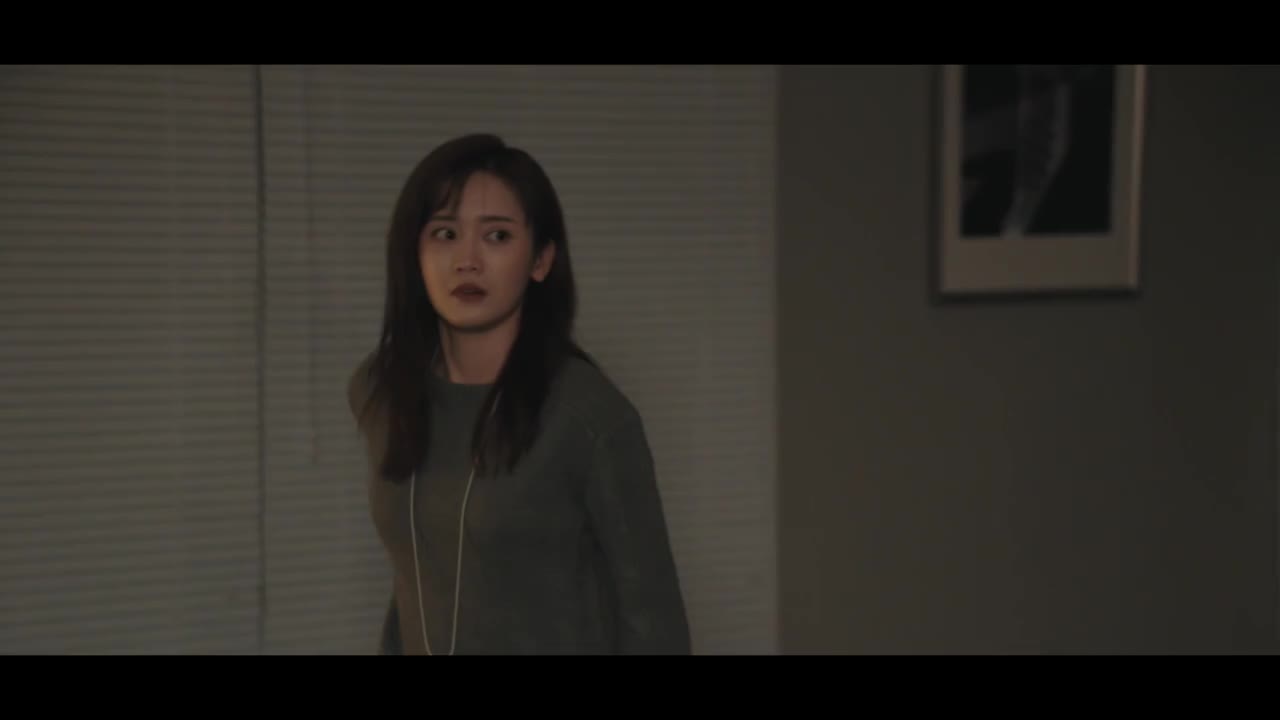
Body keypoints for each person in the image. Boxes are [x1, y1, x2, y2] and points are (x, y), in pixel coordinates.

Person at [346, 133, 690, 655]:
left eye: (497, 236)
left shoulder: (589, 417)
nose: (467, 260)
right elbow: (418, 583)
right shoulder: (381, 390)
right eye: (445, 233)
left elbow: (655, 625)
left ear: (541, 260)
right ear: (415, 253)